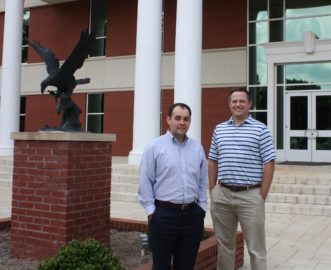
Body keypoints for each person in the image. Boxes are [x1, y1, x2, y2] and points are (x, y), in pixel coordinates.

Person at [208, 88, 276, 270]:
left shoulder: (261, 130)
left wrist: (261, 195)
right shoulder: (219, 129)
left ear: (249, 104)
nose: (238, 104)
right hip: (222, 195)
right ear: (229, 104)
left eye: (241, 101)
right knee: (224, 247)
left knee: (256, 249)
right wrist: (212, 190)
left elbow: (269, 163)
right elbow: (212, 160)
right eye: (234, 101)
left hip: (250, 196)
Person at [138, 102, 208, 270]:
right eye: (177, 118)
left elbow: (202, 180)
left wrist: (202, 207)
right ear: (168, 119)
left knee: (186, 265)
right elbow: (145, 179)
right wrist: (151, 211)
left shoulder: (197, 148)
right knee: (161, 265)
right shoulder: (154, 147)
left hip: (192, 216)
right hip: (164, 216)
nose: (182, 122)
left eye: (186, 119)